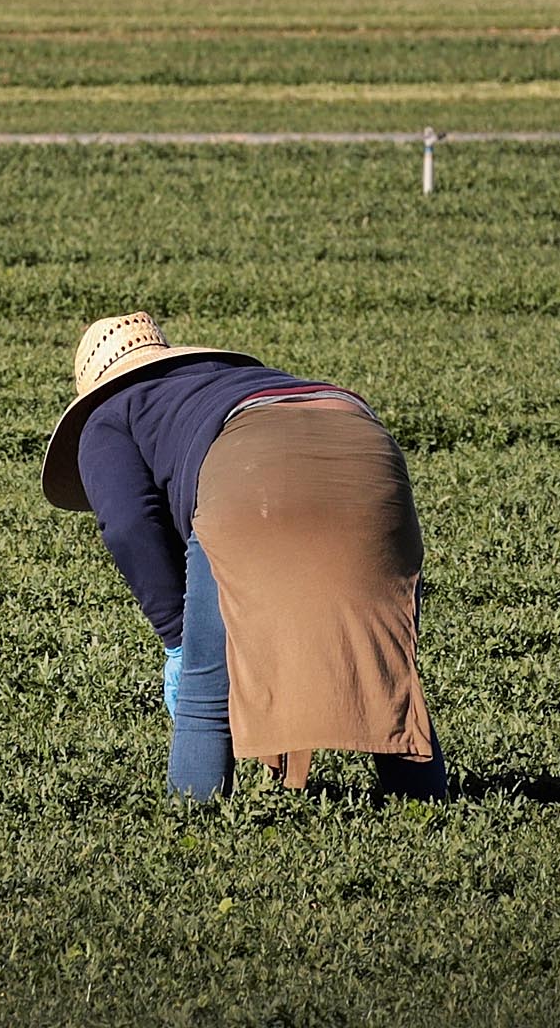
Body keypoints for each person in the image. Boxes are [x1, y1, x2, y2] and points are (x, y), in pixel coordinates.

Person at [43, 312, 448, 799]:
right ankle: (424, 807)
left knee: (205, 688)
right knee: (382, 664)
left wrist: (177, 638)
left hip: (251, 470)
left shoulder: (107, 415)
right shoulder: (231, 380)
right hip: (364, 448)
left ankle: (193, 824)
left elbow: (128, 525)